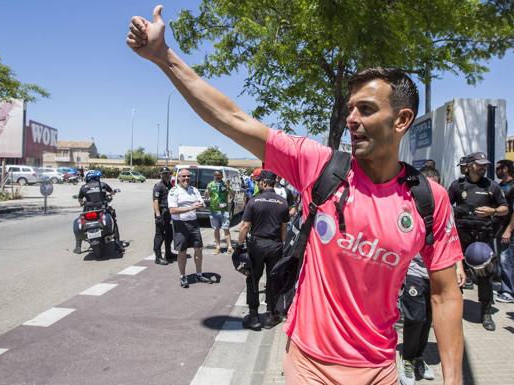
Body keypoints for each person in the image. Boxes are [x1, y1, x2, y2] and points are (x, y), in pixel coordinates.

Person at [127, 9, 464, 384]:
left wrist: (453, 379)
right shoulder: (319, 167)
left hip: (380, 370)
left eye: (366, 109)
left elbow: (446, 295)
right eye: (349, 108)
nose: (352, 118)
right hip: (309, 366)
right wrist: (164, 57)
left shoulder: (428, 199)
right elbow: (233, 119)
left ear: (401, 120)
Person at [398, 166, 466, 385]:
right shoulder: (407, 204)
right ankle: (407, 359)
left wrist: (459, 266)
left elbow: (451, 237)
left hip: (436, 273)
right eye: (426, 186)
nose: (430, 191)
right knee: (414, 317)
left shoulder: (441, 204)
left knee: (428, 319)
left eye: (434, 185)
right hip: (414, 271)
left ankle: (418, 357)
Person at [448, 152, 508, 331]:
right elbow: (445, 206)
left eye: (485, 165)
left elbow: (505, 209)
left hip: (483, 238)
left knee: (484, 276)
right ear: (470, 165)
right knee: (456, 276)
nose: (483, 167)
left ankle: (486, 311)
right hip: (461, 237)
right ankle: (454, 311)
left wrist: (493, 211)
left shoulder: (492, 186)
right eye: (480, 164)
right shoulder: (458, 185)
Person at [237, 170, 290, 330]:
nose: (258, 183)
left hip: (257, 244)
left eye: (260, 181)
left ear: (264, 183)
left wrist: (239, 246)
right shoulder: (282, 202)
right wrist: (281, 243)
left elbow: (245, 226)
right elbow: (283, 227)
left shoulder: (254, 201)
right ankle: (271, 314)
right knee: (273, 279)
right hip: (275, 245)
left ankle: (254, 317)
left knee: (253, 278)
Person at [168, 168, 212, 288]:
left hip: (193, 223)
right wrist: (191, 207)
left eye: (188, 176)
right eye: (184, 176)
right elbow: (172, 210)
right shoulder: (174, 191)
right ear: (179, 178)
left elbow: (201, 204)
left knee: (198, 249)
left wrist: (202, 205)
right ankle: (183, 276)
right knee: (182, 252)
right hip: (180, 224)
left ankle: (199, 274)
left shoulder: (194, 190)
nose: (186, 178)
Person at [495, 159, 514, 303]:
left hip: (513, 231)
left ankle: (509, 292)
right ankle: (504, 288)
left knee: (507, 261)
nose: (496, 171)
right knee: (502, 260)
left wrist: (508, 230)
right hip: (500, 230)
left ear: (506, 169)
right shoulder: (500, 186)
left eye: (498, 168)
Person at [74, 170, 122, 254]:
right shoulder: (103, 185)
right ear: (97, 178)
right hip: (102, 208)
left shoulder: (83, 187)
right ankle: (117, 244)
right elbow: (111, 193)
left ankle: (78, 247)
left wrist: (82, 202)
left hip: (88, 210)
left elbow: (80, 199)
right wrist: (112, 193)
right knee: (114, 220)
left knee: (81, 219)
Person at [204, 170, 234, 254]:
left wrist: (229, 189)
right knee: (216, 229)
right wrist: (207, 192)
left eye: (219, 175)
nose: (217, 177)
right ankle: (217, 247)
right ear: (214, 176)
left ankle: (230, 247)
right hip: (214, 210)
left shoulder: (225, 184)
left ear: (221, 176)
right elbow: (206, 197)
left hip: (224, 211)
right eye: (215, 175)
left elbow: (232, 195)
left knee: (226, 229)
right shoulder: (210, 184)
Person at [153, 167, 176, 265]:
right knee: (159, 236)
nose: (166, 175)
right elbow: (155, 201)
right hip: (161, 214)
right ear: (160, 175)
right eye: (164, 173)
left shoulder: (170, 185)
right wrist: (158, 216)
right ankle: (158, 257)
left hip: (169, 214)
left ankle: (168, 253)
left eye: (167, 173)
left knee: (169, 235)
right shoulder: (158, 186)